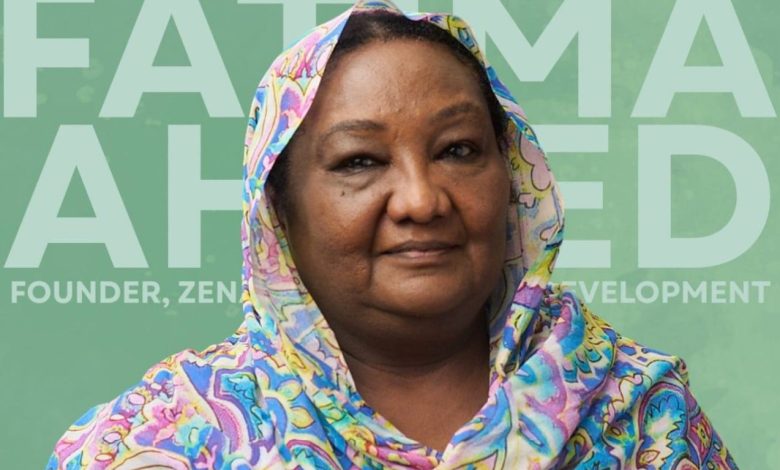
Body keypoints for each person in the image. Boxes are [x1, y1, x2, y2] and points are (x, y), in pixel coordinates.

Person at [48, 0, 737, 468]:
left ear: (513, 176)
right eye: (360, 162)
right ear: (278, 210)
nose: (421, 199)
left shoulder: (639, 413)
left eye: (458, 150)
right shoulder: (166, 439)